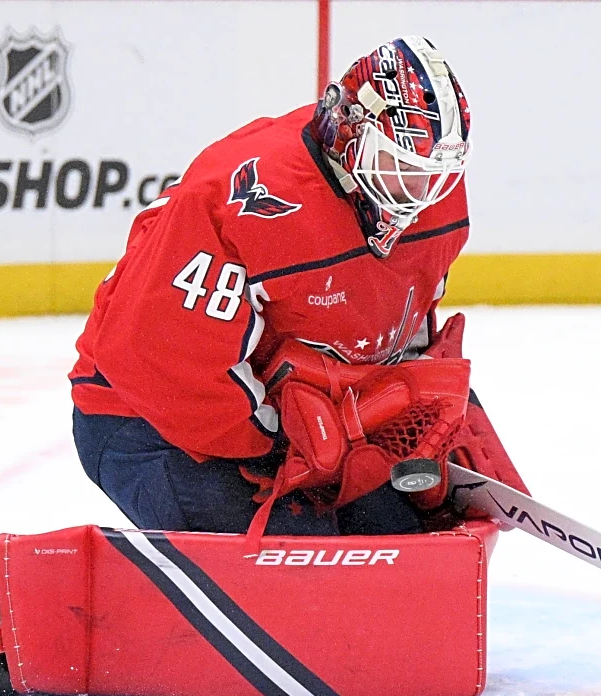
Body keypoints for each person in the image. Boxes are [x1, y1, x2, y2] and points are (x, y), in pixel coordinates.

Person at [69, 35, 528, 538]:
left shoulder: (433, 200)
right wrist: (285, 444)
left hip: (297, 421)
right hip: (148, 421)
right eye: (400, 169)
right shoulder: (239, 200)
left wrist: (414, 403)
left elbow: (399, 319)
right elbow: (159, 356)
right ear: (348, 132)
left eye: (433, 176)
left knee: (410, 543)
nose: (419, 196)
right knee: (309, 566)